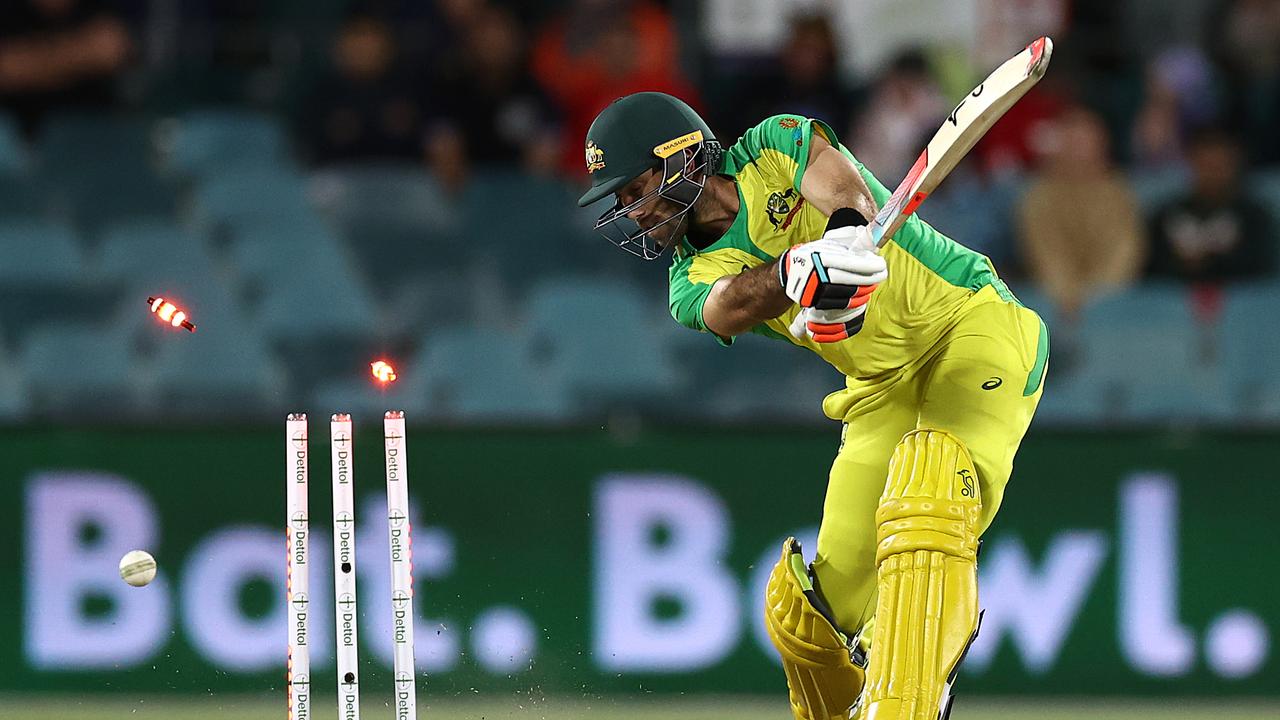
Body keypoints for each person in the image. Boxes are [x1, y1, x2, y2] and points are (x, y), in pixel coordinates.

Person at [577, 92, 1048, 720]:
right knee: (809, 617)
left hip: (976, 327)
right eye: (621, 202)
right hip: (881, 390)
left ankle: (910, 699)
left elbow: (842, 185)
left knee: (931, 492)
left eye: (633, 190)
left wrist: (845, 234)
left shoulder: (771, 146)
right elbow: (731, 304)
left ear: (678, 159)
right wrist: (793, 270)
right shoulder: (686, 283)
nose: (631, 212)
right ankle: (872, 688)